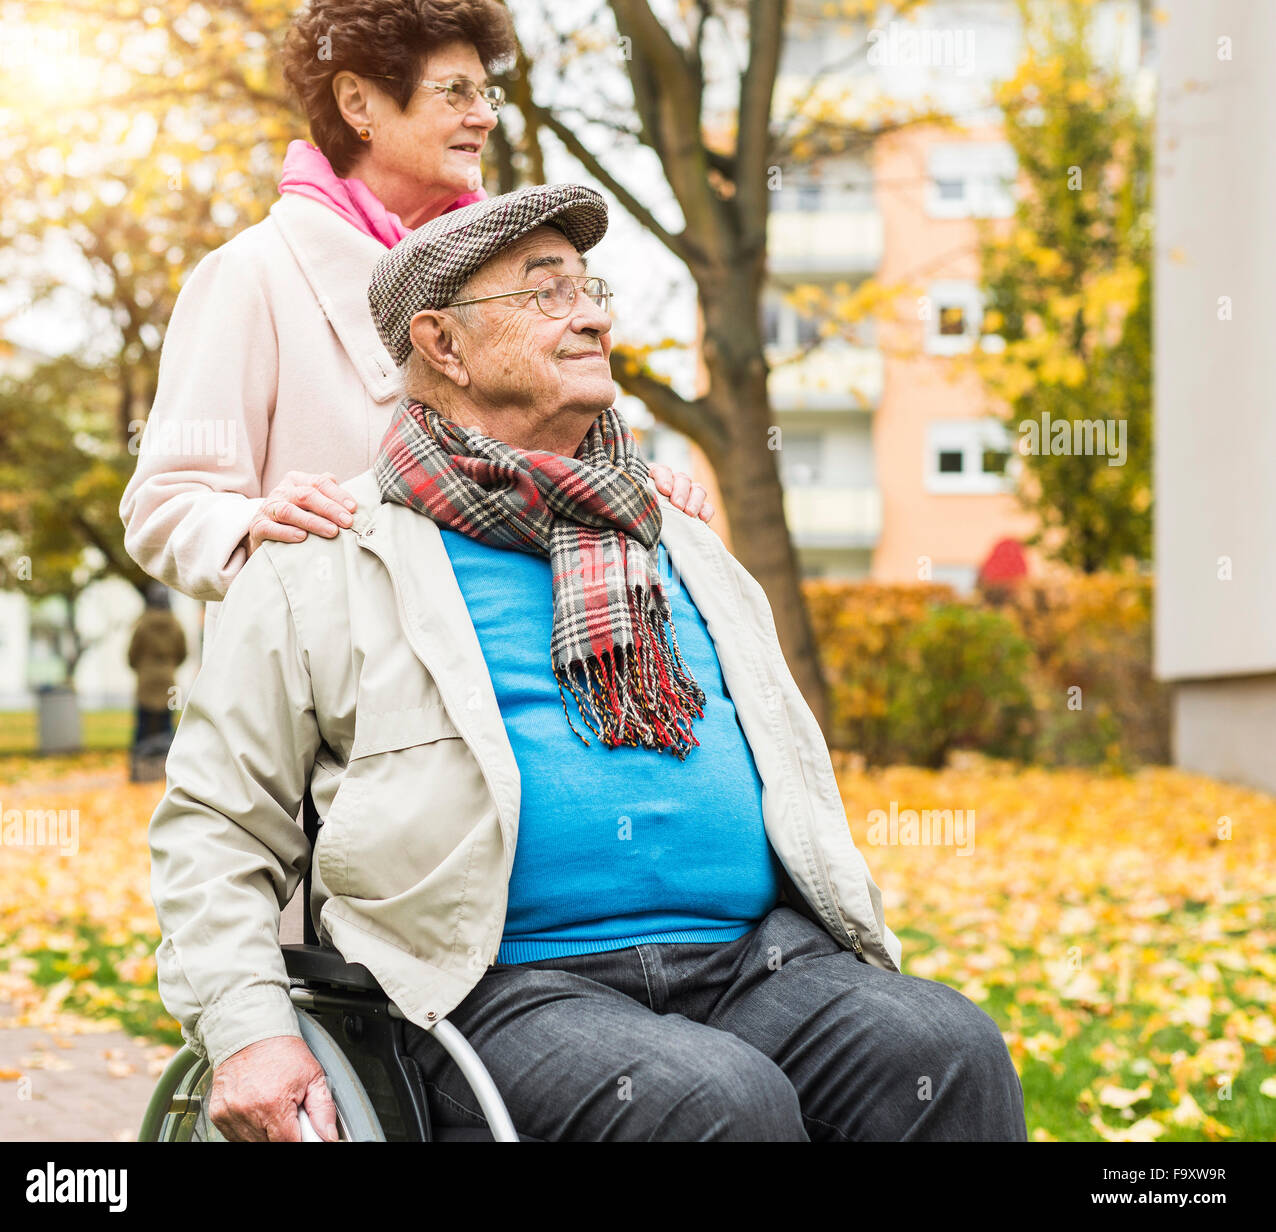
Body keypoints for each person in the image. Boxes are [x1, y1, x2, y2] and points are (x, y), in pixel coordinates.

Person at [146, 183, 1028, 1143]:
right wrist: (247, 1032)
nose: (593, 313)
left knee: (948, 1048)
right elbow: (216, 826)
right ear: (442, 344)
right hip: (498, 993)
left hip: (756, 963)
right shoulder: (322, 559)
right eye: (545, 291)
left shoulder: (680, 537)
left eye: (591, 287)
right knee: (715, 1103)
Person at [118, 0, 711, 663]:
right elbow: (165, 506)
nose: (484, 115)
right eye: (456, 91)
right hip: (334, 719)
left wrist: (624, 483)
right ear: (358, 103)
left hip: (516, 692)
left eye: (486, 93)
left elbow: (546, 467)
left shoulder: (522, 276)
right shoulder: (249, 276)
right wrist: (253, 523)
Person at [127, 582, 187, 745]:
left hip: (146, 679)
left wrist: (140, 667)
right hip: (168, 679)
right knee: (167, 724)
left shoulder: (142, 625)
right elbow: (182, 654)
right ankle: (168, 765)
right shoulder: (176, 626)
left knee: (143, 724)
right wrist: (169, 665)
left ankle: (139, 764)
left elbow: (132, 654)